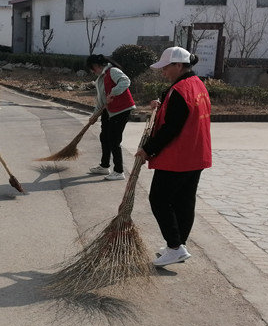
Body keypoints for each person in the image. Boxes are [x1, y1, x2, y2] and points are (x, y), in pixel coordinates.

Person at [134, 46, 212, 268]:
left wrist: (148, 149)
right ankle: (177, 246)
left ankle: (175, 247)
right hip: (196, 154)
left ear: (178, 65)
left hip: (178, 157)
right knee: (184, 201)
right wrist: (161, 104)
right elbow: (180, 110)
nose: (163, 72)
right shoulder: (196, 85)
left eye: (166, 67)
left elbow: (172, 128)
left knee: (159, 199)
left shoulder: (180, 90)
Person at [85, 53, 136, 181]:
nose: (93, 71)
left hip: (121, 110)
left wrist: (113, 92)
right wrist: (94, 116)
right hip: (109, 111)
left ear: (97, 65)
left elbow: (125, 81)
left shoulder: (113, 71)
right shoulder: (100, 79)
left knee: (114, 140)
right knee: (104, 137)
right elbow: (101, 101)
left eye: (93, 68)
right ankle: (104, 166)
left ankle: (119, 171)